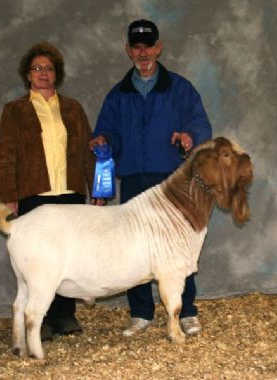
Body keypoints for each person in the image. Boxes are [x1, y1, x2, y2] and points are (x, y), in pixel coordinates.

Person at [90, 20, 212, 337]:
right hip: (133, 180)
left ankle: (186, 311)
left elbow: (201, 125)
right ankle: (141, 313)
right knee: (133, 248)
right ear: (129, 51)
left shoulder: (181, 89)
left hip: (171, 182)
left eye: (148, 45)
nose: (142, 52)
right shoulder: (118, 95)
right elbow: (108, 133)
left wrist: (190, 136)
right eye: (136, 46)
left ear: (158, 47)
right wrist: (102, 141)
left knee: (178, 247)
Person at [0, 41, 97, 341]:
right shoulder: (14, 111)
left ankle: (65, 317)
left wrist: (96, 188)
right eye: (37, 68)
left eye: (49, 68)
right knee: (42, 258)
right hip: (33, 193)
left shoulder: (73, 108)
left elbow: (87, 151)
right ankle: (42, 320)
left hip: (70, 192)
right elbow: (6, 156)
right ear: (28, 75)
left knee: (70, 256)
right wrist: (9, 195)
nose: (43, 73)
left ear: (57, 74)